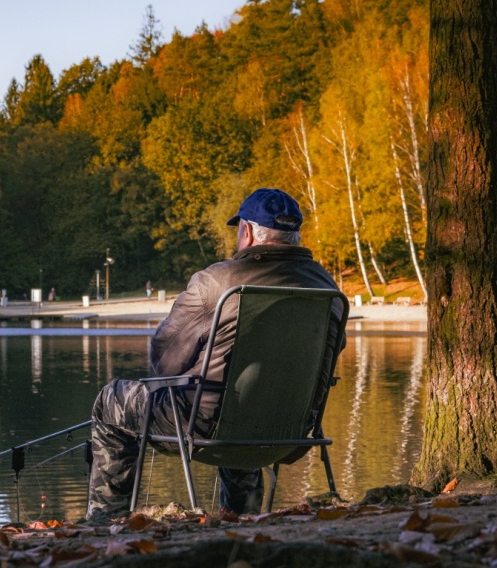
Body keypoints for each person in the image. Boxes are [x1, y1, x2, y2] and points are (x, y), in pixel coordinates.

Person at [86, 188, 346, 521]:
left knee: (112, 401)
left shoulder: (216, 282)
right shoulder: (328, 287)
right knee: (242, 398)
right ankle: (242, 515)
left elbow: (164, 357)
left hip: (209, 429)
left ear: (247, 231)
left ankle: (105, 520)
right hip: (290, 431)